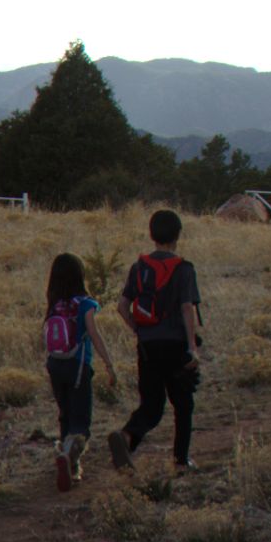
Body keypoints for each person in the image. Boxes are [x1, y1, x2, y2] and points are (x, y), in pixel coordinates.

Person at [108, 209, 207, 472]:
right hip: (176, 345)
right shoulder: (184, 269)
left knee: (151, 405)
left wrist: (138, 331)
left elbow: (122, 306)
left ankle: (127, 436)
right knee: (183, 404)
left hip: (148, 346)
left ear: (152, 235)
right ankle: (181, 461)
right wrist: (192, 347)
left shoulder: (139, 267)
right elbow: (187, 308)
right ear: (177, 235)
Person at [42, 253, 120, 491]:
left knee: (65, 413)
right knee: (81, 421)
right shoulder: (85, 304)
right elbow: (94, 335)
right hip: (78, 366)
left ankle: (71, 467)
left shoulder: (54, 303)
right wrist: (109, 364)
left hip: (55, 365)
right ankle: (69, 457)